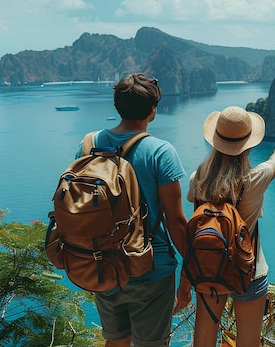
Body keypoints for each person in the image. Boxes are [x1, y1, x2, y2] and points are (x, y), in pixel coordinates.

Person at [75, 73, 190, 347]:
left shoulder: (89, 144)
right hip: (150, 267)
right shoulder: (160, 151)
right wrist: (191, 273)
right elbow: (175, 220)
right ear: (153, 110)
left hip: (104, 263)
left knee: (115, 342)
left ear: (117, 106)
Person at [176, 105, 275, 347]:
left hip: (210, 267)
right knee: (249, 342)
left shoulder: (196, 179)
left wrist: (186, 282)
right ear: (248, 145)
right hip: (249, 271)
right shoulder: (255, 178)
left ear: (215, 141)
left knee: (204, 340)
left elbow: (198, 228)